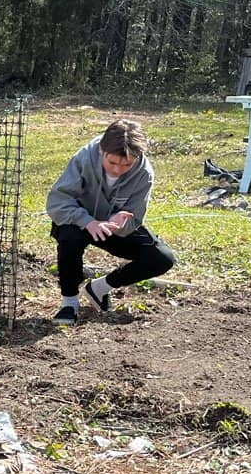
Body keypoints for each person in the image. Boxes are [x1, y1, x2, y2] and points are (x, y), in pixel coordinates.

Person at [47, 118, 176, 327]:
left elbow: (135, 218)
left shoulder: (144, 174)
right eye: (112, 163)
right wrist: (88, 221)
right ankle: (69, 302)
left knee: (162, 258)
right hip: (80, 222)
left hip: (112, 228)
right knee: (69, 236)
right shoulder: (84, 158)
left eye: (126, 164)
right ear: (101, 151)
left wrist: (119, 223)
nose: (117, 170)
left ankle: (99, 288)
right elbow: (57, 202)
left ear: (138, 156)